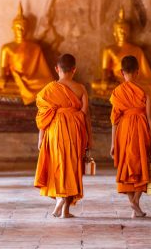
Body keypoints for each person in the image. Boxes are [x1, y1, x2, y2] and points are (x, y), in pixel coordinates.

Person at [34, 54, 93, 218]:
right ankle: (65, 208)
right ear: (74, 69)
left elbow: (43, 116)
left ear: (57, 69)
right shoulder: (80, 88)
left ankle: (60, 201)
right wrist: (89, 138)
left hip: (54, 130)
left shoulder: (48, 90)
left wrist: (41, 137)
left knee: (57, 165)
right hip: (75, 131)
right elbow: (85, 115)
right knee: (72, 167)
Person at [109, 55, 151, 218]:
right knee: (141, 164)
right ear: (138, 72)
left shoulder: (117, 92)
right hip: (141, 128)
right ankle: (135, 202)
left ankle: (134, 204)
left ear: (122, 72)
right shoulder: (145, 90)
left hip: (123, 130)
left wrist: (113, 143)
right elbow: (150, 116)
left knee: (127, 165)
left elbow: (114, 119)